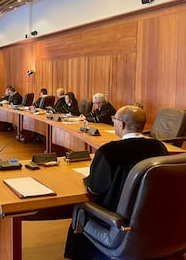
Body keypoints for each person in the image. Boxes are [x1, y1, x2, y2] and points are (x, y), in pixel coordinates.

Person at [64, 105, 169, 259]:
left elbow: (95, 189)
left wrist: (88, 179)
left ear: (121, 125)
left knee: (80, 208)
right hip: (152, 219)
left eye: (114, 120)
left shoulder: (109, 151)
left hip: (119, 222)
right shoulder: (159, 147)